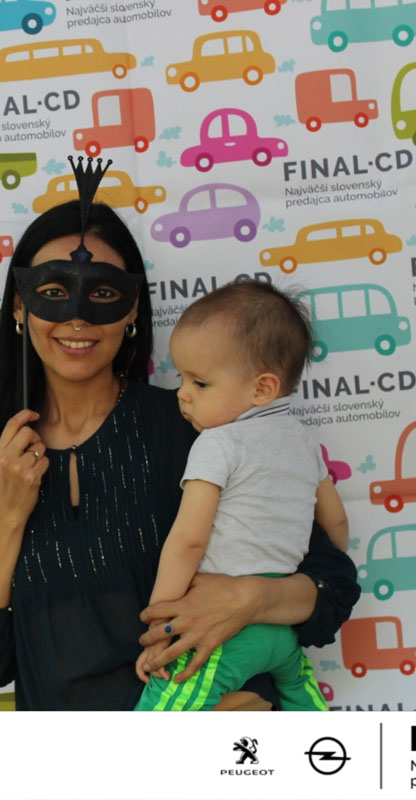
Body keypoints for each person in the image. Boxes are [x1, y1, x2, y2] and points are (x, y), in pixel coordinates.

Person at [0, 198, 359, 710]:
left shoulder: (199, 429)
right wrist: (7, 514)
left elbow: (331, 584)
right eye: (53, 292)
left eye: (103, 293)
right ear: (20, 307)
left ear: (133, 309)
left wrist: (249, 599)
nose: (77, 316)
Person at [133, 281, 348, 712]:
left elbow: (188, 541)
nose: (182, 393)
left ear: (262, 389)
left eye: (200, 383)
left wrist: (162, 626)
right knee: (302, 697)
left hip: (226, 633)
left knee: (163, 710)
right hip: (282, 631)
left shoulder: (217, 443)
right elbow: (336, 523)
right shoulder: (304, 442)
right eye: (181, 377)